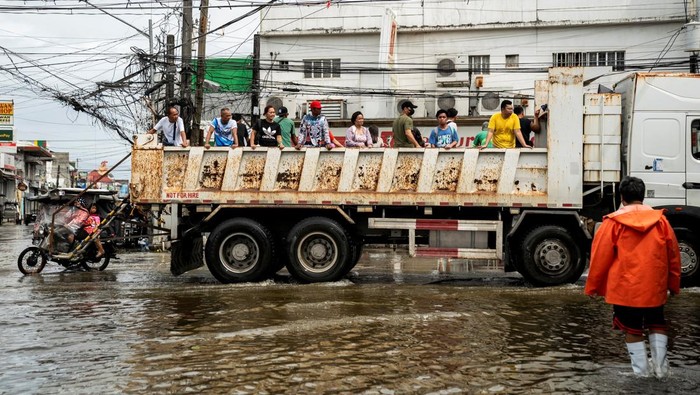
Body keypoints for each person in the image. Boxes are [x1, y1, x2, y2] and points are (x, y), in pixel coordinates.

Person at [585, 176, 681, 378]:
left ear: (622, 197)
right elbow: (673, 255)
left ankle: (641, 373)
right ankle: (661, 370)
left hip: (625, 289)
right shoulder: (661, 221)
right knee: (657, 324)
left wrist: (592, 287)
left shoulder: (613, 223)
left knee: (633, 329)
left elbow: (600, 257)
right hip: (654, 286)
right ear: (643, 196)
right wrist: (673, 284)